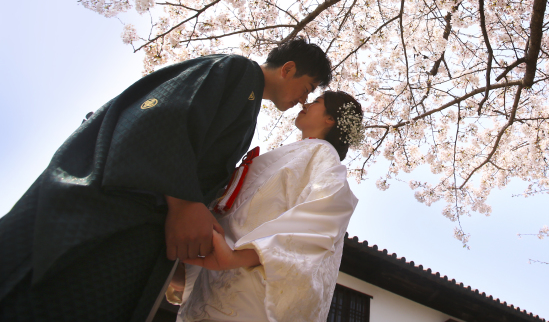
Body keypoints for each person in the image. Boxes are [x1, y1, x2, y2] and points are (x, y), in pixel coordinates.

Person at [0, 38, 332, 322]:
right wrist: (184, 201)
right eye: (306, 89)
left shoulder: (247, 103)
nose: (303, 100)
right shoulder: (236, 71)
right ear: (287, 68)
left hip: (141, 227)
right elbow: (161, 118)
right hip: (110, 213)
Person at [170, 91, 363, 322]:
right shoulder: (300, 151)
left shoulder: (323, 156)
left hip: (246, 278)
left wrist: (239, 257)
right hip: (219, 270)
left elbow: (324, 214)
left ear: (330, 119)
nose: (306, 103)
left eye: (317, 101)